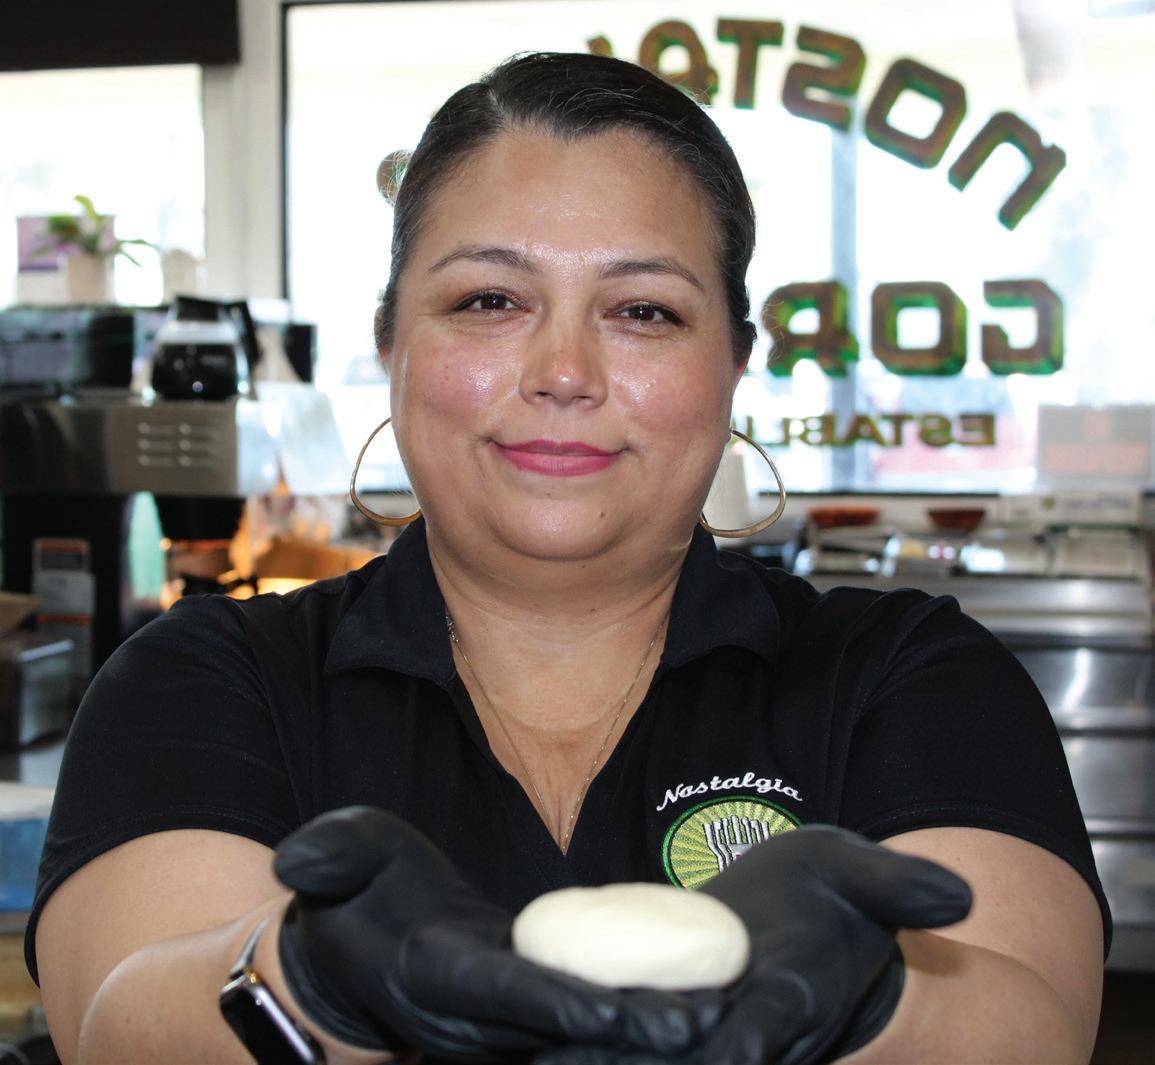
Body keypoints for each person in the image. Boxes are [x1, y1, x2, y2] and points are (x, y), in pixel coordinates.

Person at [29, 52, 1108, 1065]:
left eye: (643, 311)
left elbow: (1034, 1023)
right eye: (490, 300)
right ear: (391, 341)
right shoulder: (204, 679)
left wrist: (878, 1000)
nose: (563, 370)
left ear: (735, 363)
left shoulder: (908, 675)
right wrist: (308, 981)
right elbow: (119, 1017)